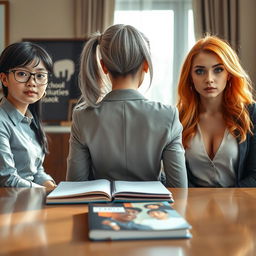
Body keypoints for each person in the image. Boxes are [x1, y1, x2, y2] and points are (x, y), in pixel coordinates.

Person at [66, 24, 187, 187]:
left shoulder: (82, 117)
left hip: (101, 209)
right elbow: (178, 188)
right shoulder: (168, 115)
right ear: (146, 64)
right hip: (152, 211)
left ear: (104, 66)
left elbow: (75, 186)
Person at [177, 35, 256, 187]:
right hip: (191, 208)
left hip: (240, 207)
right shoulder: (179, 118)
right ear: (190, 77)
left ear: (229, 74)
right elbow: (174, 176)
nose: (209, 79)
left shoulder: (251, 114)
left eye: (218, 70)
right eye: (200, 71)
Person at [0, 42, 56, 188]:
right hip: (8, 205)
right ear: (4, 79)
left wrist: (53, 189)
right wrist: (47, 193)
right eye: (22, 74)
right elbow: (7, 179)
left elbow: (36, 171)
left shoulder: (30, 120)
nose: (32, 82)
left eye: (40, 75)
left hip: (30, 201)